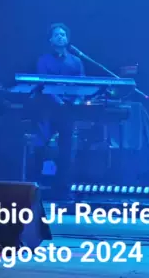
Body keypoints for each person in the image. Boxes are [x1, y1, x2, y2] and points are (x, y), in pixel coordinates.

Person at [35, 23, 85, 196]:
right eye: (56, 34)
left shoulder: (76, 61)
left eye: (63, 34)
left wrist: (78, 100)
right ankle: (36, 184)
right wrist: (57, 101)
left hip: (69, 111)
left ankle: (62, 187)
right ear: (50, 40)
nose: (60, 37)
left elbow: (82, 85)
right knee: (40, 146)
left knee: (66, 150)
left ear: (67, 39)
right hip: (48, 110)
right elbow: (42, 84)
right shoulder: (43, 60)